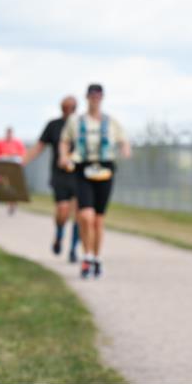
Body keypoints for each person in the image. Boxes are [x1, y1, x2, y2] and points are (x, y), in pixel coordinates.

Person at [58, 83, 131, 279]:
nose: (95, 99)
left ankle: (97, 257)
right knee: (85, 216)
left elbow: (123, 139)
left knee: (98, 219)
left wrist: (124, 149)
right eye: (92, 95)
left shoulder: (110, 122)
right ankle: (87, 255)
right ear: (87, 97)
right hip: (83, 169)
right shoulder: (76, 121)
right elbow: (64, 141)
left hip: (105, 170)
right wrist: (64, 156)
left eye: (98, 95)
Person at [24, 96, 80, 262]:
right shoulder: (53, 125)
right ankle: (59, 234)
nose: (68, 110)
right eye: (65, 107)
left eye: (71, 107)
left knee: (78, 213)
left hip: (78, 174)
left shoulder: (82, 125)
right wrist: (23, 161)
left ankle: (73, 249)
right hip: (60, 174)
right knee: (62, 210)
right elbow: (39, 146)